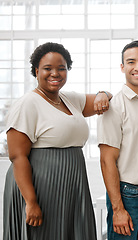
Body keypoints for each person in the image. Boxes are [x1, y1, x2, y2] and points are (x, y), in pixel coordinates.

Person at [3, 42, 112, 240]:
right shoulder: (28, 103)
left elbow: (102, 99)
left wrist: (104, 93)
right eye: (48, 68)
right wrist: (31, 202)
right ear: (36, 71)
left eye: (61, 68)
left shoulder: (69, 99)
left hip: (71, 185)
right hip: (40, 187)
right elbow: (17, 157)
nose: (55, 73)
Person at [97, 40, 138, 240]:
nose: (137, 67)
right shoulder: (113, 107)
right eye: (131, 62)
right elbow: (106, 160)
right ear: (122, 67)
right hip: (128, 197)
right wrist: (118, 209)